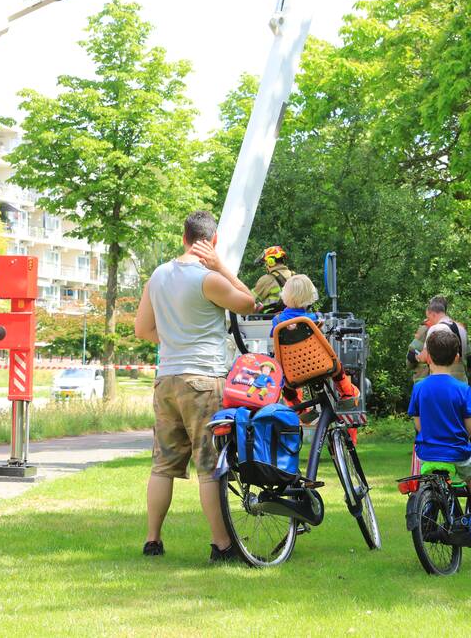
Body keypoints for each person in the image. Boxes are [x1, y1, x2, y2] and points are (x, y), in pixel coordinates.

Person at [134, 210, 258, 562]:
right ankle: (222, 546)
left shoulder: (157, 277)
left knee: (163, 466)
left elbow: (142, 330)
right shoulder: (208, 279)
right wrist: (221, 267)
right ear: (212, 241)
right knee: (209, 467)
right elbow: (249, 304)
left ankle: (153, 539)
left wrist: (174, 340)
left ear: (184, 237)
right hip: (203, 381)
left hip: (166, 379)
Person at [408, 328, 471, 535]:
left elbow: (418, 425)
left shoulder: (419, 388)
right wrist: (463, 437)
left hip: (427, 452)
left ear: (428, 357)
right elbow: (470, 425)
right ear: (457, 357)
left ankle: (431, 508)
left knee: (432, 478)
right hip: (456, 451)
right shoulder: (462, 389)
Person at [269, 274, 360, 404]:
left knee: (284, 382)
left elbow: (274, 337)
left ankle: (298, 407)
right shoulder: (314, 318)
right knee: (337, 366)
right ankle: (348, 393)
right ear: (310, 295)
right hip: (320, 364)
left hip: (293, 370)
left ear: (285, 295)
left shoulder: (277, 321)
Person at [407, 296, 471, 383]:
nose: (428, 321)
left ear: (433, 314)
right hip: (461, 382)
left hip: (441, 382)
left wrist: (417, 358)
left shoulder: (434, 329)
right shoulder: (461, 328)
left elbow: (426, 356)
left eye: (429, 318)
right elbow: (469, 359)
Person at [251, 246, 294, 312]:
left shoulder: (267, 279)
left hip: (269, 320)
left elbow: (249, 299)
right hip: (295, 318)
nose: (266, 266)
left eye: (265, 263)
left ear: (270, 261)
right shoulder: (296, 277)